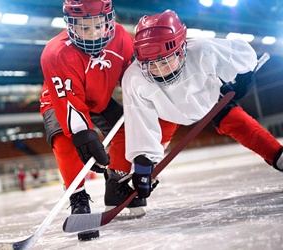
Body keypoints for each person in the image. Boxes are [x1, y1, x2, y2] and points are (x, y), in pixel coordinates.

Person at [122, 9, 283, 200]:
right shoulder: (134, 78)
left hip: (208, 101)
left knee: (239, 123)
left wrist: (244, 76)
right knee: (149, 159)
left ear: (182, 49)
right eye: (151, 64)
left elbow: (241, 54)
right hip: (165, 111)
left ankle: (278, 156)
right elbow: (140, 121)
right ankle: (137, 183)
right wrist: (142, 164)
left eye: (165, 62)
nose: (158, 71)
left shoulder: (202, 49)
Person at [39, 0, 148, 230]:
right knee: (64, 140)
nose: (93, 34)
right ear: (70, 25)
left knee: (129, 129)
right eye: (84, 27)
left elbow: (134, 79)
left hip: (99, 96)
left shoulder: (121, 38)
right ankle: (77, 196)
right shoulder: (55, 53)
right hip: (62, 99)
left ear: (109, 20)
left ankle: (116, 184)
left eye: (98, 26)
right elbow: (69, 103)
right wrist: (83, 134)